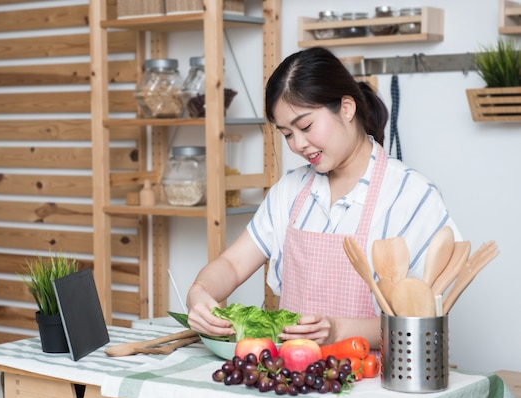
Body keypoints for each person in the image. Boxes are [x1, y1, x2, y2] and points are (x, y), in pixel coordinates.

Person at [186, 47, 460, 349]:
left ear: (346, 108)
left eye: (305, 126)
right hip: (292, 377)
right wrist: (199, 292)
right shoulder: (289, 191)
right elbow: (233, 265)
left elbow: (423, 319)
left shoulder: (411, 195)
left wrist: (338, 330)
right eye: (287, 134)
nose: (299, 144)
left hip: (379, 383)